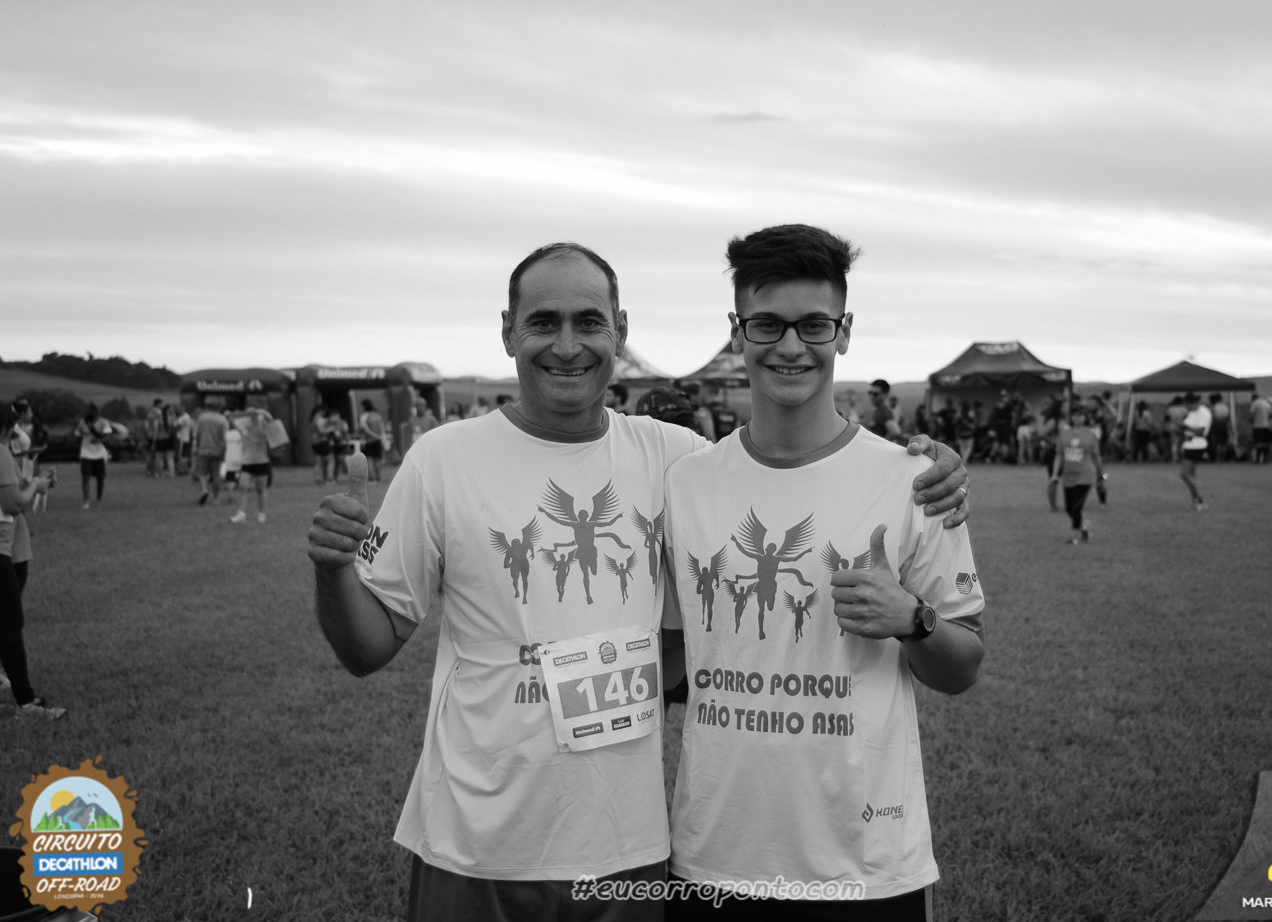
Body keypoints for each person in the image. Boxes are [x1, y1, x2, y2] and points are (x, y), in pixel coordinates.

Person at [305, 241, 970, 922]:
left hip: (628, 849)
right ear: (508, 331)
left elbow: (779, 484)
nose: (568, 345)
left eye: (590, 322)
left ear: (620, 332)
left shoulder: (675, 459)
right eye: (543, 322)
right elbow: (367, 648)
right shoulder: (443, 459)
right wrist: (333, 571)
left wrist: (928, 472)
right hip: (474, 845)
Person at [662, 224, 983, 920]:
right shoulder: (685, 483)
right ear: (737, 331)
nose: (790, 346)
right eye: (766, 324)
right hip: (714, 855)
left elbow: (964, 666)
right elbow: (666, 655)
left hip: (866, 868)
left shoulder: (913, 482)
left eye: (813, 325)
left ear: (844, 332)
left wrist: (914, 620)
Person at [0, 402, 64, 718]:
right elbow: (12, 504)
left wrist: (32, 483)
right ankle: (27, 702)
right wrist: (36, 486)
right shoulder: (0, 453)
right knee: (10, 624)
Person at [1050, 405, 1105, 544]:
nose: (1077, 418)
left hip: (1085, 475)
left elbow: (1096, 456)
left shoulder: (1090, 435)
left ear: (1084, 418)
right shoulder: (1064, 434)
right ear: (1071, 417)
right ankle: (1084, 530)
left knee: (1076, 507)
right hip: (1068, 476)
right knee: (1069, 509)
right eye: (1075, 415)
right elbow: (1059, 455)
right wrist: (1055, 474)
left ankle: (1074, 537)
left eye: (1080, 415)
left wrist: (1101, 473)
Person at [230, 401, 273, 524]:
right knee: (243, 487)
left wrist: (264, 413)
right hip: (247, 461)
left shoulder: (263, 426)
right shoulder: (242, 427)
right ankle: (241, 514)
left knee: (261, 489)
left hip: (262, 460)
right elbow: (232, 420)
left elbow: (272, 422)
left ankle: (262, 514)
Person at [77, 404, 113, 510]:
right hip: (86, 453)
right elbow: (78, 434)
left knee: (100, 478)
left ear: (96, 412)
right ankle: (86, 501)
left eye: (92, 411)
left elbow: (107, 436)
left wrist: (99, 440)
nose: (90, 413)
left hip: (99, 454)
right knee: (85, 478)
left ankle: (99, 500)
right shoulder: (82, 422)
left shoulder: (104, 422)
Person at [1179, 392, 1211, 510]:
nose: (1186, 407)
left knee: (1184, 474)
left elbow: (1201, 431)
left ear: (1193, 403)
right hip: (1190, 444)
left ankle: (1200, 499)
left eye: (1187, 405)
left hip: (1197, 446)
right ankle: (1196, 502)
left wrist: (1185, 427)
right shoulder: (1192, 412)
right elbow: (1187, 427)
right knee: (1191, 475)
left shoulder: (1204, 413)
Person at [192, 404, 229, 505]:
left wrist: (197, 447)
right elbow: (225, 437)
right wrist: (224, 451)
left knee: (202, 472)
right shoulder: (222, 419)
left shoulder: (202, 418)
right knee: (216, 475)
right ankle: (215, 498)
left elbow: (197, 434)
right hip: (217, 450)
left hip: (203, 449)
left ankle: (205, 489)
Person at [358, 400, 389, 482]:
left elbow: (364, 429)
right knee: (377, 459)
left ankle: (372, 478)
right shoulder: (377, 415)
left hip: (369, 441)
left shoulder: (364, 416)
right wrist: (381, 438)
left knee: (369, 460)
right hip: (378, 441)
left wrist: (375, 436)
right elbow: (382, 428)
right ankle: (378, 477)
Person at [310, 405, 334, 484]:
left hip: (315, 442)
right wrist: (330, 429)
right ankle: (329, 479)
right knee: (330, 460)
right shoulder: (319, 418)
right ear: (321, 411)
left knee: (318, 461)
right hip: (322, 441)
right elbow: (321, 431)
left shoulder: (313, 418)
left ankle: (318, 479)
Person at [1248, 393, 1272, 464]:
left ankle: (1257, 459)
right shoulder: (1267, 404)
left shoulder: (1254, 403)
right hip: (1266, 426)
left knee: (1258, 442)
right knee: (1265, 442)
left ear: (1253, 398)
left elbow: (1251, 415)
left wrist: (1251, 421)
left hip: (1257, 426)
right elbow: (1271, 416)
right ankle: (1265, 459)